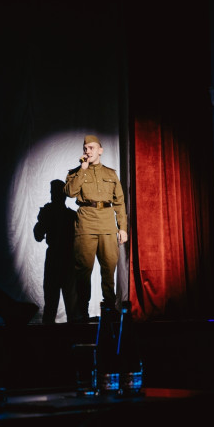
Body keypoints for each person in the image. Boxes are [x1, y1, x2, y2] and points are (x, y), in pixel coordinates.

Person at [63, 135, 128, 322]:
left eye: (91, 147)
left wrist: (122, 228)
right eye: (85, 148)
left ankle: (110, 311)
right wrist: (82, 170)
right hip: (86, 225)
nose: (88, 151)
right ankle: (82, 312)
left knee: (109, 270)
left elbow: (119, 202)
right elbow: (70, 192)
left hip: (107, 225)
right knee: (83, 272)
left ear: (100, 150)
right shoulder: (76, 172)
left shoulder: (110, 174)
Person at [33, 179, 78, 323]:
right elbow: (38, 235)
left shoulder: (62, 214)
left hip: (58, 259)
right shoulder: (71, 215)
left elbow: (38, 236)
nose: (52, 196)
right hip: (66, 259)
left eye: (54, 193)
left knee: (54, 305)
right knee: (67, 306)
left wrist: (43, 219)